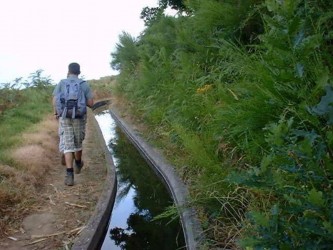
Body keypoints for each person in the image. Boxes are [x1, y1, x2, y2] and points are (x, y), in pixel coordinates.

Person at [52, 62, 94, 186]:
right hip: (79, 117)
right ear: (79, 72)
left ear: (68, 71)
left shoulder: (61, 83)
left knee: (67, 144)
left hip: (64, 117)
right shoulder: (83, 84)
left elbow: (54, 100)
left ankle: (69, 175)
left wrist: (56, 113)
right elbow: (91, 103)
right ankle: (78, 163)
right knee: (78, 141)